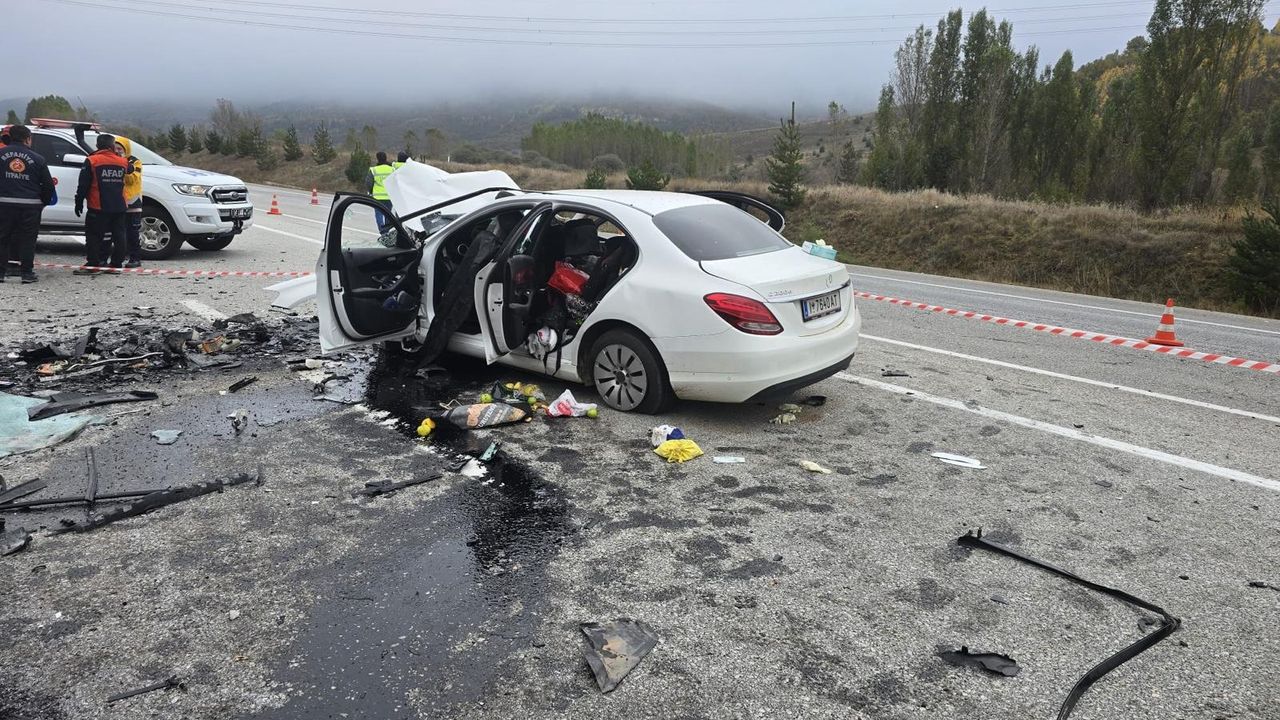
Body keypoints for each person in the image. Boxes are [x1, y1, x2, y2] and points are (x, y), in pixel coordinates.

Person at [0, 125, 56, 284]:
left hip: (3, 204)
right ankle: (27, 274)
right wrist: (42, 203)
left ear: (10, 137)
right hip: (30, 206)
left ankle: (1, 273)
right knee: (28, 240)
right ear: (28, 139)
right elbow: (48, 186)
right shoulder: (38, 159)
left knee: (2, 239)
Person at [74, 133, 129, 274]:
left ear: (98, 145)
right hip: (119, 206)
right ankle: (116, 265)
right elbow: (130, 170)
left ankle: (93, 265)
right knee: (119, 236)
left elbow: (83, 185)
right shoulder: (122, 162)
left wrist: (78, 202)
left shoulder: (92, 160)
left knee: (93, 236)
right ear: (112, 146)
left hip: (98, 206)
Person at [115, 136, 144, 268]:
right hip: (118, 203)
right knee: (119, 233)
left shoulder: (135, 162)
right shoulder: (113, 161)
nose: (117, 151)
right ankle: (118, 258)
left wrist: (122, 165)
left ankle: (135, 258)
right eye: (115, 149)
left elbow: (132, 179)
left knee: (133, 233)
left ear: (126, 149)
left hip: (133, 204)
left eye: (120, 148)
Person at [366, 151, 395, 233]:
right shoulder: (392, 169)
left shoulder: (374, 170)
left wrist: (370, 192)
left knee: (379, 215)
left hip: (377, 197)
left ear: (377, 158)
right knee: (388, 215)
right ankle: (388, 230)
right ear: (386, 158)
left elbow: (368, 183)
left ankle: (383, 232)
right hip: (389, 196)